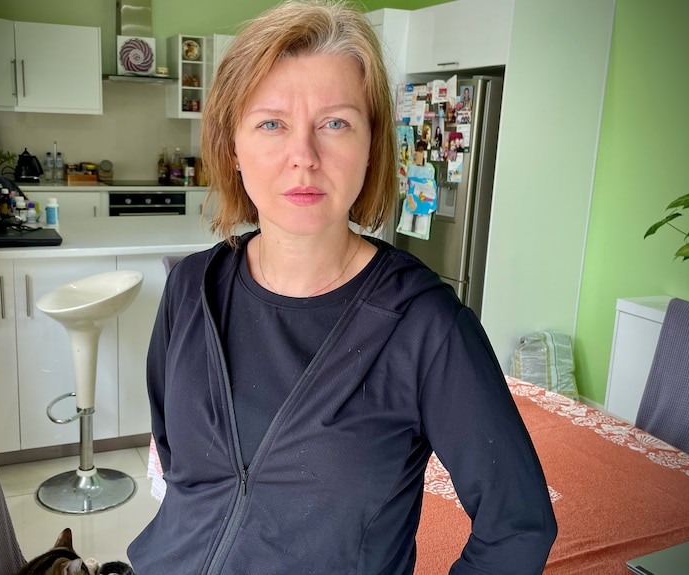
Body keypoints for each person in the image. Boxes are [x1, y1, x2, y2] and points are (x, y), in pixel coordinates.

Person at [126, 1, 557, 574]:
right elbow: (180, 467)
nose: (303, 157)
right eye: (271, 123)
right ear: (233, 147)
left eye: (335, 123)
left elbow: (517, 526)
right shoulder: (189, 288)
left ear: (373, 144)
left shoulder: (426, 326)